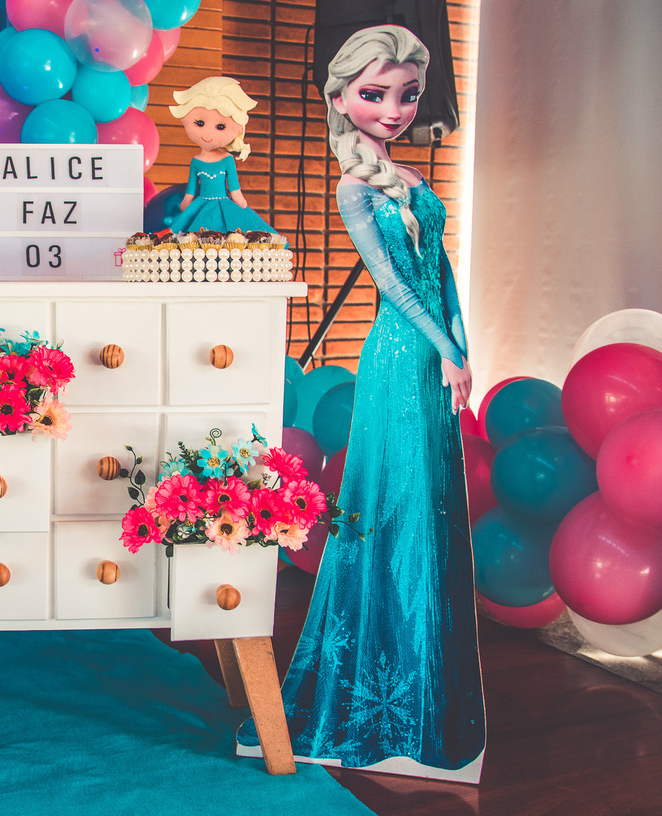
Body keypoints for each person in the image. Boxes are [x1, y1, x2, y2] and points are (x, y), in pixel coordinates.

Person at [238, 25, 485, 782]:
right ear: (342, 99)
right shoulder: (354, 188)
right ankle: (380, 691)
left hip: (434, 357)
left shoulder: (412, 177)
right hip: (397, 358)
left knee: (427, 504)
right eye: (376, 94)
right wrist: (443, 348)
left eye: (408, 95)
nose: (394, 109)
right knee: (395, 500)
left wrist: (461, 344)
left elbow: (441, 273)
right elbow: (396, 287)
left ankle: (422, 680)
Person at [166, 76, 276, 234]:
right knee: (194, 238)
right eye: (200, 123)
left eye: (220, 126)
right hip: (201, 206)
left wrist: (239, 200)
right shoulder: (196, 161)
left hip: (222, 206)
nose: (208, 133)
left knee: (228, 235)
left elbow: (234, 189)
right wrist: (186, 201)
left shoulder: (227, 160)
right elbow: (191, 188)